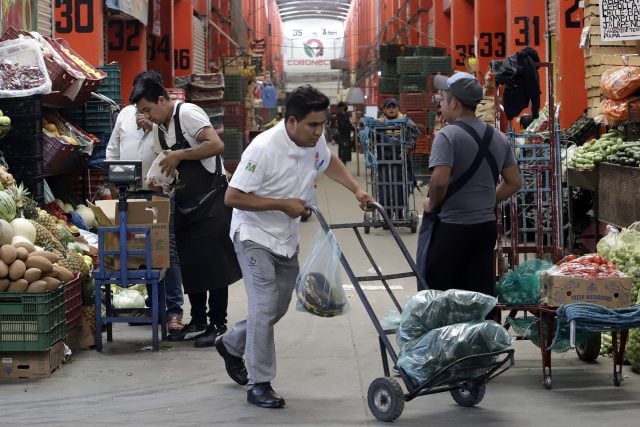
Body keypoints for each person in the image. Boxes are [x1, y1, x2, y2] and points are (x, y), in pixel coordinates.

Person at [215, 85, 374, 409]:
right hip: (253, 236)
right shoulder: (263, 149)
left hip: (285, 239)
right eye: (313, 125)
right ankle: (260, 383)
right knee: (264, 304)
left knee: (279, 306)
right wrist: (282, 205)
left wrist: (357, 190)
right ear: (291, 122)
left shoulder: (313, 144)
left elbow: (329, 162)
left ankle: (231, 342)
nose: (319, 132)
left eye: (322, 125)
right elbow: (232, 197)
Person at [129, 76, 242, 348]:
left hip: (212, 200)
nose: (146, 116)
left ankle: (218, 324)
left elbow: (216, 145)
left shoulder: (187, 113)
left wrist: (179, 155)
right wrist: (161, 182)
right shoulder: (159, 129)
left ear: (161, 100)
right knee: (192, 266)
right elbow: (171, 167)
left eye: (147, 109)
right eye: (140, 112)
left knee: (214, 266)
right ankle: (199, 320)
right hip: (186, 204)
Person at [418, 71, 521, 296]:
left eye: (442, 100)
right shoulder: (498, 137)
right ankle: (477, 332)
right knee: (477, 292)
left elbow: (439, 181)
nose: (440, 104)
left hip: (452, 228)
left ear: (454, 103)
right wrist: (485, 199)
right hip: (485, 228)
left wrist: (432, 203)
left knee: (441, 294)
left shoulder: (447, 136)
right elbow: (514, 182)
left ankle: (447, 332)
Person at [105, 71, 185, 338]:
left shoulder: (166, 119)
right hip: (129, 193)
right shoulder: (124, 116)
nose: (140, 109)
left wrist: (154, 130)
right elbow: (113, 149)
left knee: (165, 250)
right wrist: (114, 180)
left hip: (159, 193)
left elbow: (174, 149)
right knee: (133, 251)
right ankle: (143, 308)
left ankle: (173, 312)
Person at [376, 98, 420, 220]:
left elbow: (412, 138)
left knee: (401, 187)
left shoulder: (406, 122)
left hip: (401, 162)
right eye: (388, 107)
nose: (391, 109)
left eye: (394, 107)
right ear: (384, 109)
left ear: (397, 108)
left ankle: (400, 211)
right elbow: (370, 138)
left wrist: (407, 148)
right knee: (385, 187)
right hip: (383, 163)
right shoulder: (378, 123)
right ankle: (387, 214)